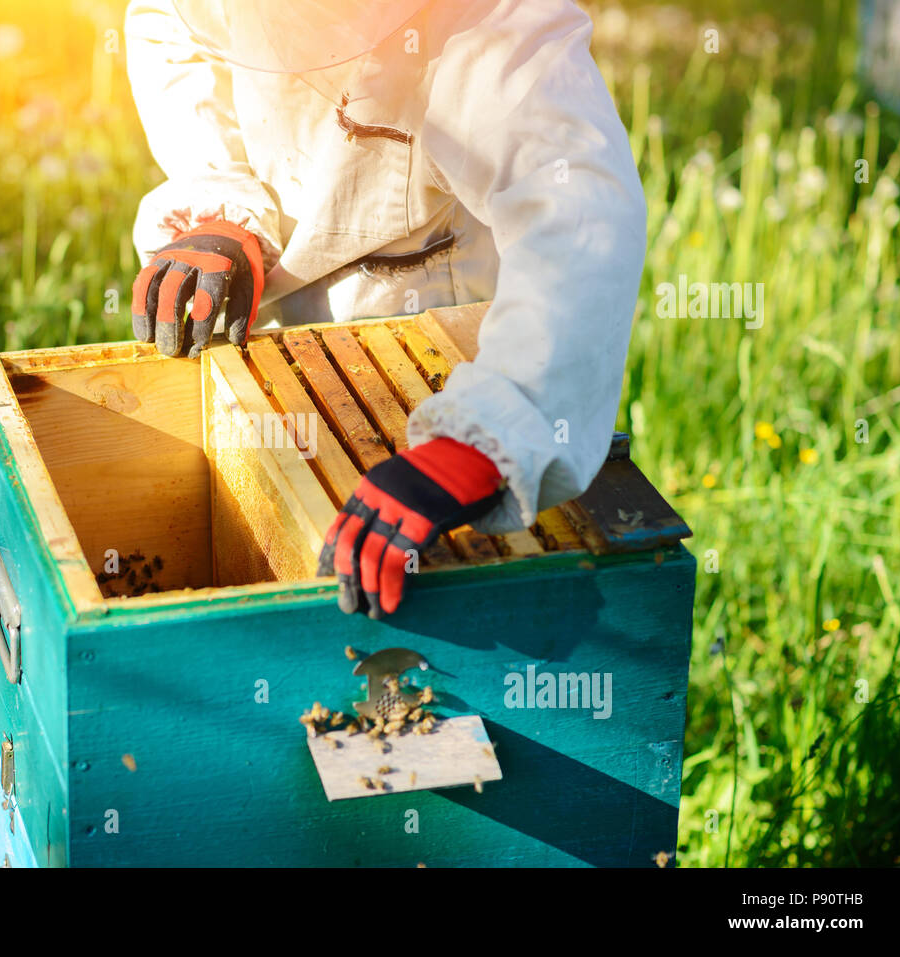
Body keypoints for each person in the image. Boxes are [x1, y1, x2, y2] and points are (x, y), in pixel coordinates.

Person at [126, 0, 647, 618]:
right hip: (273, 349)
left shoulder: (494, 26)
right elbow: (173, 27)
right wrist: (220, 202)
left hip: (435, 362)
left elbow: (578, 213)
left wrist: (489, 435)